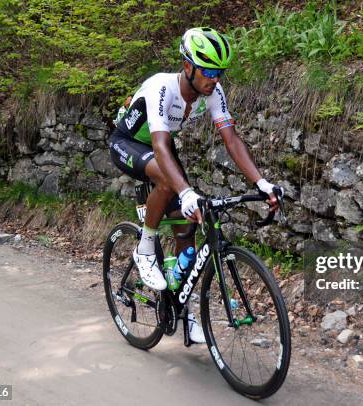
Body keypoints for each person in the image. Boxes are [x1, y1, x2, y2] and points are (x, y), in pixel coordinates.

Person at [109, 27, 282, 344]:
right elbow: (160, 146)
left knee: (187, 232)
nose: (215, 79)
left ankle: (183, 314)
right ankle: (145, 248)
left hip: (160, 149)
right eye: (209, 71)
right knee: (167, 179)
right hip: (130, 143)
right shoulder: (163, 87)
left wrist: (262, 182)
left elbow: (231, 139)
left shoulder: (213, 93)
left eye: (220, 72)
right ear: (188, 66)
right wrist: (185, 191)